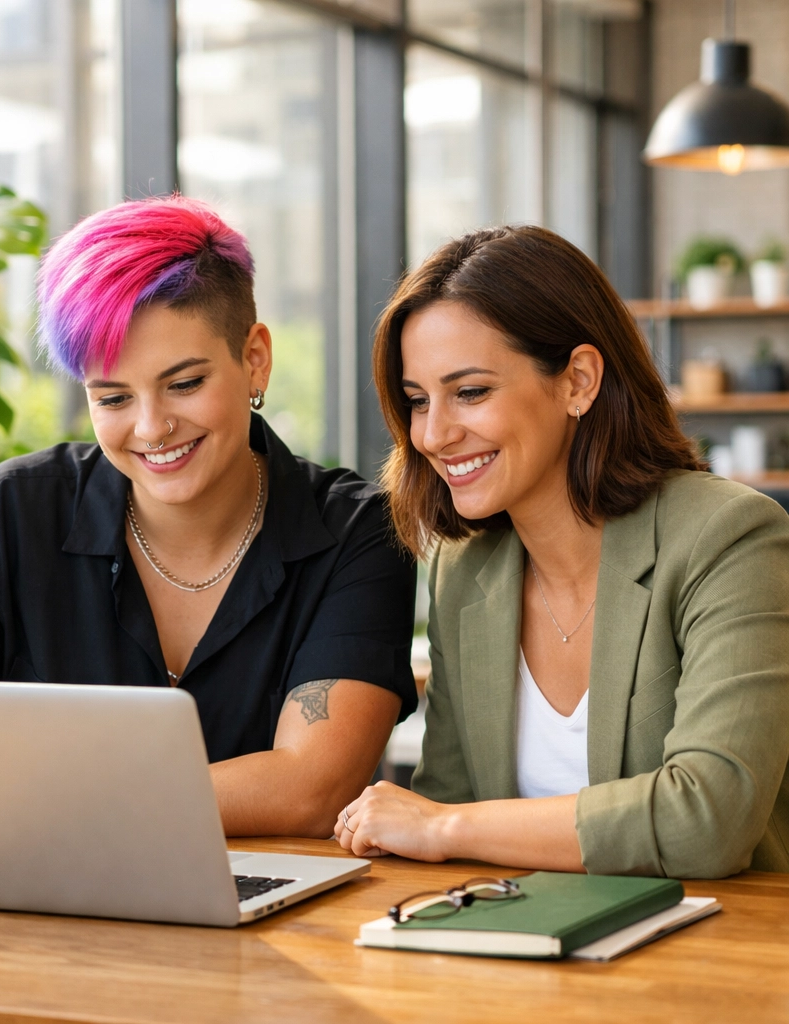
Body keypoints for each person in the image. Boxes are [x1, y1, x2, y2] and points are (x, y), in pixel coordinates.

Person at [0, 196, 417, 838]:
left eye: (184, 384)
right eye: (114, 398)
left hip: (264, 899)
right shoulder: (9, 513)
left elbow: (309, 790)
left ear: (254, 359)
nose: (152, 428)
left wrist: (30, 800)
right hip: (34, 889)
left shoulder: (357, 534)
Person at [334, 224, 789, 877]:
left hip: (710, 936)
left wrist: (443, 827)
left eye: (470, 392)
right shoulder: (468, 571)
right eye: (417, 401)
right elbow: (443, 806)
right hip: (512, 930)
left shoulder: (729, 537)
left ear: (578, 380)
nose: (433, 435)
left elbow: (707, 819)